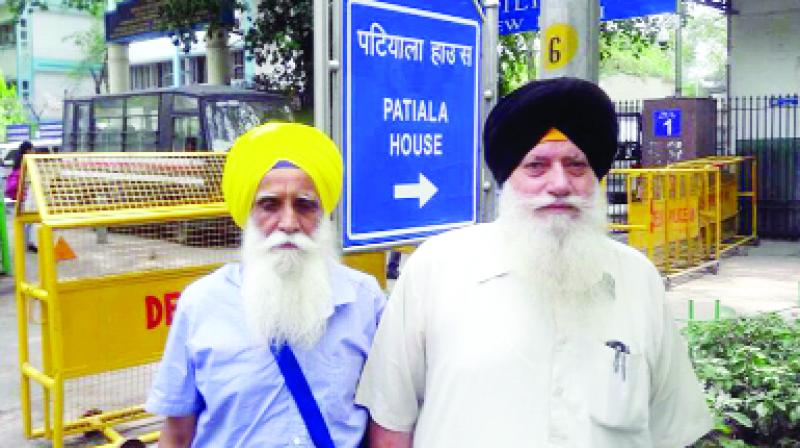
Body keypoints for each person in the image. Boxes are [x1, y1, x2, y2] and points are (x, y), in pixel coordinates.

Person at [356, 77, 713, 447]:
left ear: (596, 176)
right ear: (507, 176)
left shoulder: (638, 280)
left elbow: (672, 431)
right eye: (536, 166)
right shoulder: (436, 269)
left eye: (576, 165)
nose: (559, 184)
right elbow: (390, 428)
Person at [146, 123, 386, 447]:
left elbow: (385, 423)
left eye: (304, 205)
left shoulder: (364, 300)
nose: (288, 223)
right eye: (269, 205)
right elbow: (177, 433)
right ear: (248, 213)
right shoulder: (201, 303)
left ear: (323, 214)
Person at [5, 140, 36, 252]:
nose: (34, 151)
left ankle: (26, 243)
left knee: (24, 222)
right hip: (25, 196)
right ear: (28, 150)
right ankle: (26, 244)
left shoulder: (18, 161)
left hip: (19, 196)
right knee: (27, 221)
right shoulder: (26, 162)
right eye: (32, 149)